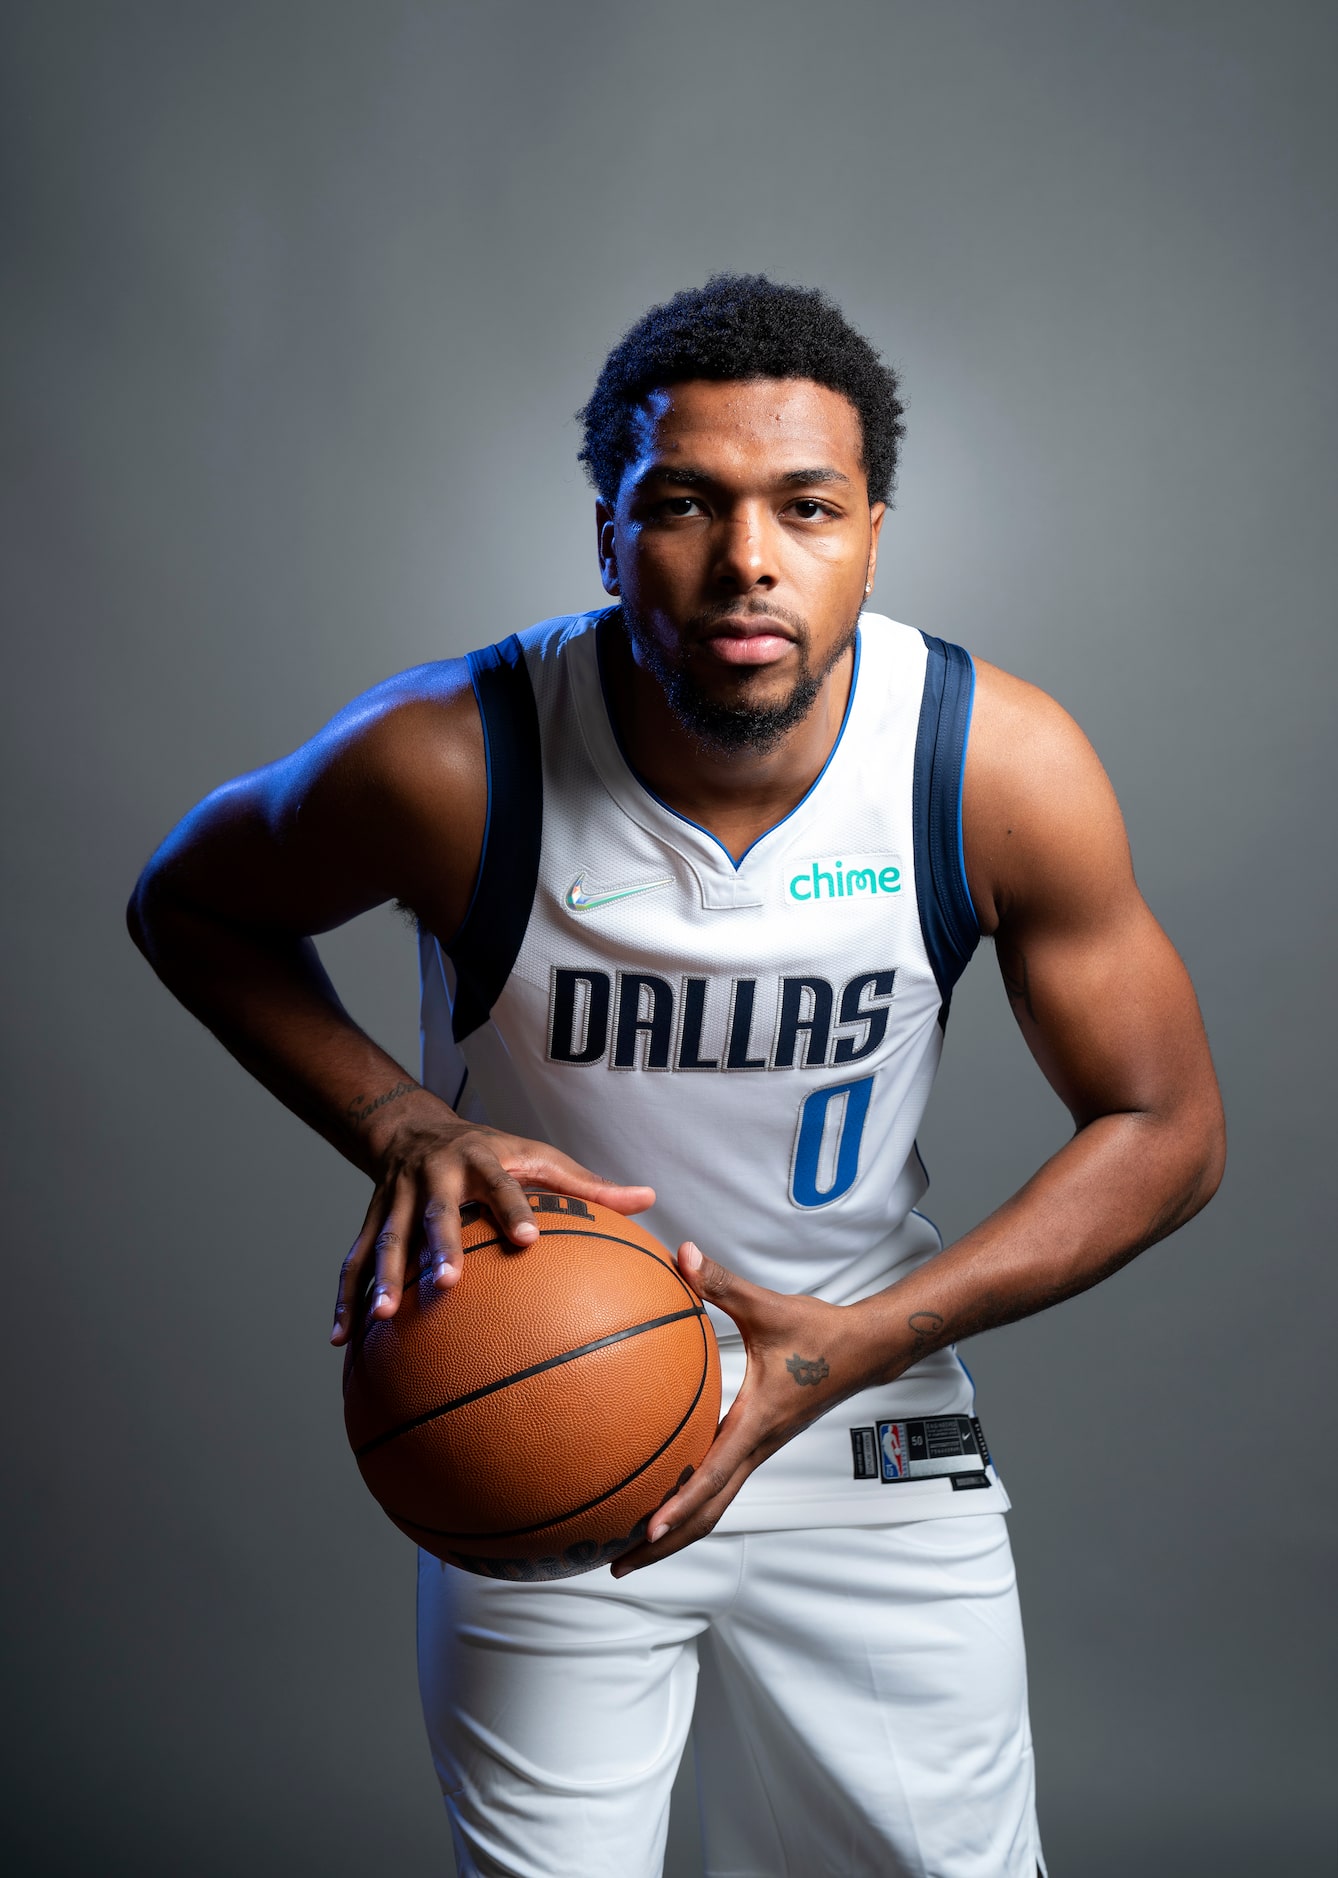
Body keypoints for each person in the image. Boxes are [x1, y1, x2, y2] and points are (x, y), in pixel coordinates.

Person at [128, 275, 1225, 1878]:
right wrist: (403, 1119)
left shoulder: (989, 762)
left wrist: (854, 1343)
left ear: (869, 532)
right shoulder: (453, 757)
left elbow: (1168, 1128)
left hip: (861, 1420)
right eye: (684, 504)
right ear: (604, 534)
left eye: (805, 505)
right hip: (540, 1420)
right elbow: (191, 901)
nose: (747, 559)